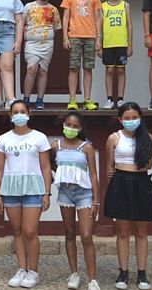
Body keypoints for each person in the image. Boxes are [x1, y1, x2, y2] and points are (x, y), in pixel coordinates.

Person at [0, 100, 52, 288]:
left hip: (34, 188)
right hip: (10, 189)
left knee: (30, 231)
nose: (19, 115)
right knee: (17, 230)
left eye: (22, 111)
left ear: (29, 113)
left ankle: (33, 271)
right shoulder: (3, 139)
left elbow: (45, 166)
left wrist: (47, 193)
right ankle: (22, 268)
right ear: (10, 116)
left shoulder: (39, 137)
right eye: (15, 112)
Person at [104, 102, 152, 290]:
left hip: (141, 182)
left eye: (134, 117)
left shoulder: (147, 137)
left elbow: (149, 163)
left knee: (141, 232)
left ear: (140, 118)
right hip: (121, 181)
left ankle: (142, 273)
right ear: (120, 119)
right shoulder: (114, 138)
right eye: (127, 118)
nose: (131, 121)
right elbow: (109, 164)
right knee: (123, 232)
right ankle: (123, 271)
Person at [50, 112, 100, 290]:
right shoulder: (56, 146)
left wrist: (96, 201)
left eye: (74, 126)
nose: (70, 128)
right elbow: (48, 165)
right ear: (63, 125)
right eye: (68, 124)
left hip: (84, 194)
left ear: (80, 128)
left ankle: (92, 279)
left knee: (86, 235)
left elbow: (93, 174)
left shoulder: (86, 147)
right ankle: (74, 274)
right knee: (69, 232)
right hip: (65, 192)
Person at [60, 0, 102, 111]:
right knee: (73, 68)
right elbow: (65, 17)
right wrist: (65, 37)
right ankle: (72, 99)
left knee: (88, 68)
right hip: (74, 36)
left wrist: (99, 39)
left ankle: (87, 99)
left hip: (90, 36)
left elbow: (98, 19)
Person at [22, 0, 61, 109]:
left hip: (47, 43)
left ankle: (40, 100)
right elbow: (21, 24)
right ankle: (26, 99)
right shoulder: (28, 6)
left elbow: (55, 27)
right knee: (32, 69)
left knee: (43, 71)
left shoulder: (53, 9)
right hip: (31, 43)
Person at [100, 0, 132, 109]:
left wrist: (130, 44)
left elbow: (129, 25)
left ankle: (120, 99)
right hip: (108, 43)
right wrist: (99, 43)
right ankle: (109, 99)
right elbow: (100, 26)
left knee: (121, 70)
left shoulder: (125, 5)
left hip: (122, 42)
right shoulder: (102, 6)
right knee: (109, 70)